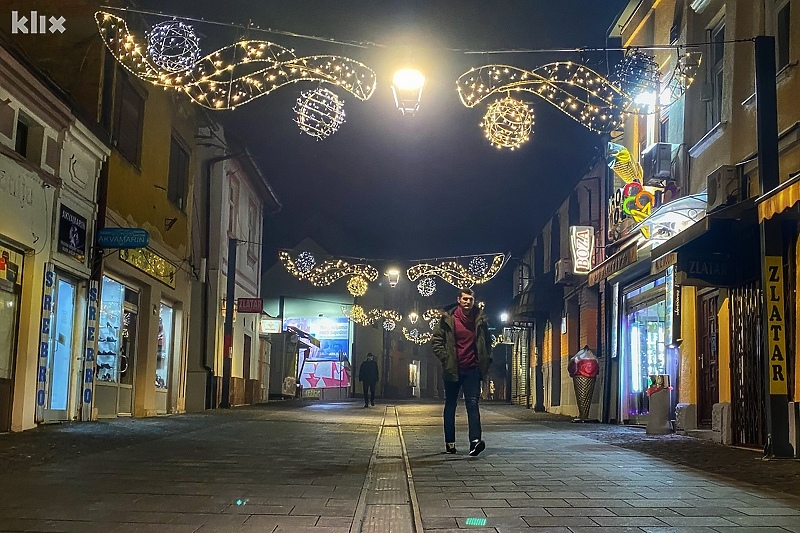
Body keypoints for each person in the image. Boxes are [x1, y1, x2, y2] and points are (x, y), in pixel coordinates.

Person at [432, 288, 492, 456]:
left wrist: (486, 359)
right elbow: (436, 341)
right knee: (451, 404)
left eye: (470, 299)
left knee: (472, 404)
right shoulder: (448, 319)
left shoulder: (479, 319)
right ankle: (450, 442)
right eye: (465, 299)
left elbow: (487, 341)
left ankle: (475, 441)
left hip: (472, 368)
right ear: (459, 299)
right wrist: (446, 358)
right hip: (453, 369)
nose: (467, 302)